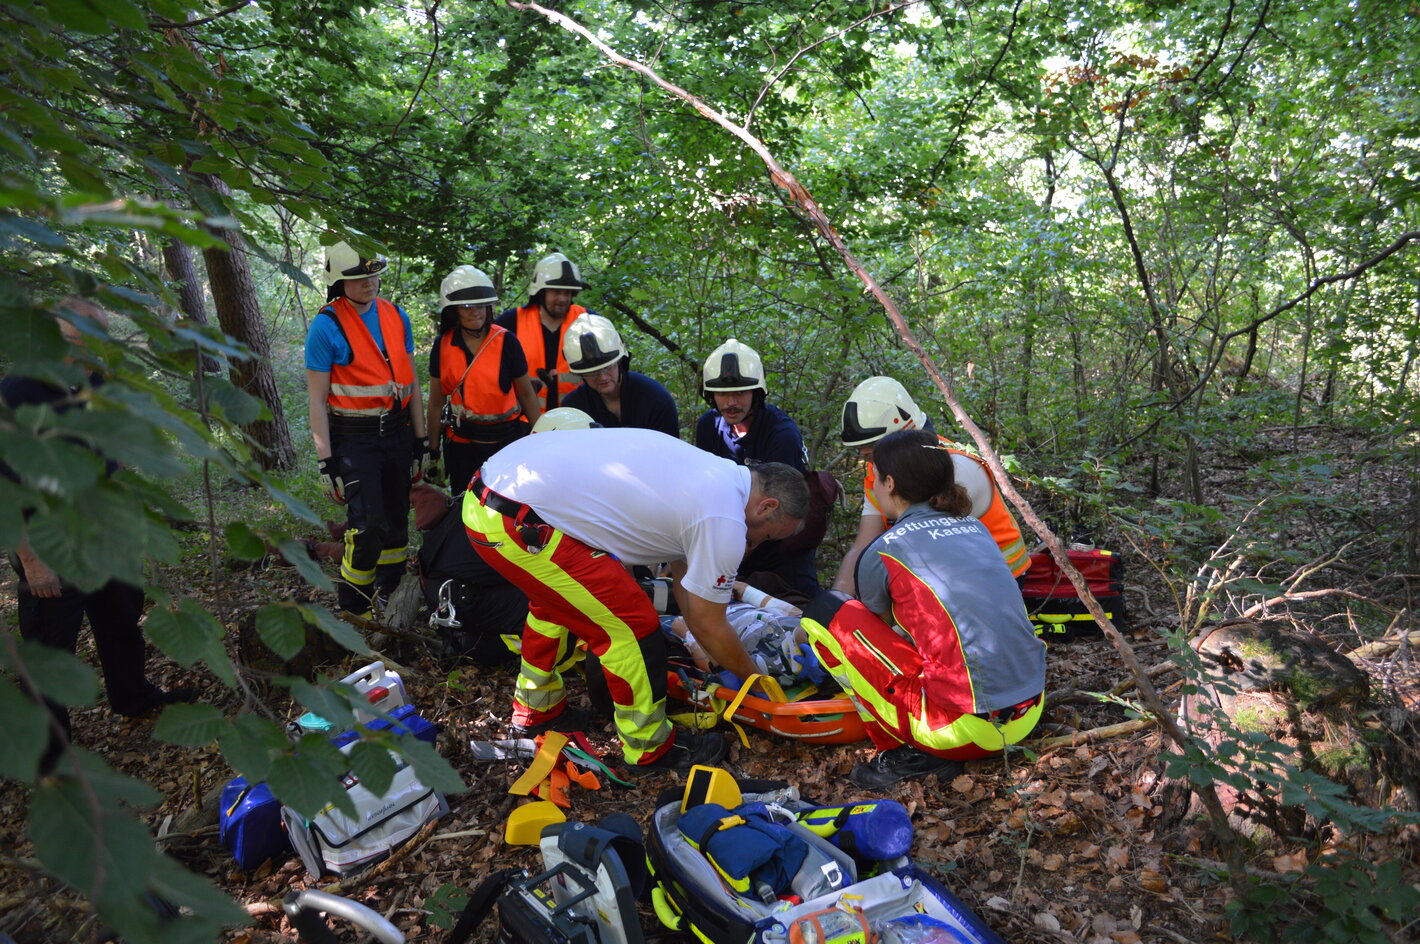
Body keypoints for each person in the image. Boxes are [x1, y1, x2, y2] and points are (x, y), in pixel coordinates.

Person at [461, 428, 810, 773]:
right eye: (765, 535)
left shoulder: (714, 476)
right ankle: (649, 748)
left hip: (488, 498)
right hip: (518, 518)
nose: (757, 543)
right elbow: (709, 624)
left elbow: (686, 585)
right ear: (767, 506)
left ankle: (537, 710)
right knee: (631, 626)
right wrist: (759, 682)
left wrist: (708, 643)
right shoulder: (725, 519)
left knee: (558, 606)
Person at [4, 298, 194, 772]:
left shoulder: (95, 378)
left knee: (120, 621)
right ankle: (48, 753)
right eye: (79, 338)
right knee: (51, 649)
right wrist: (30, 558)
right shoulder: (18, 390)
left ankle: (132, 696)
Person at [801, 429, 1046, 789]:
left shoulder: (884, 550)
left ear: (889, 482)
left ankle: (901, 751)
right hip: (1030, 711)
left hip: (963, 733)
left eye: (875, 478)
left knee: (826, 611)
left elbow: (878, 639)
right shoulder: (976, 527)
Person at [305, 241, 427, 616]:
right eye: (359, 277)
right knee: (367, 523)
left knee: (395, 521)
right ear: (339, 282)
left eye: (374, 275)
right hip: (353, 439)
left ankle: (388, 593)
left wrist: (421, 441)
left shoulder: (395, 315)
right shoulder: (326, 327)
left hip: (397, 432)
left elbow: (413, 384)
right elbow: (316, 401)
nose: (369, 283)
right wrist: (326, 463)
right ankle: (354, 607)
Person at [833, 376, 1030, 593]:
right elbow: (862, 547)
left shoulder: (955, 468)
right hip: (944, 575)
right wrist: (835, 604)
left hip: (997, 577)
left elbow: (934, 559)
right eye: (864, 453)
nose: (870, 461)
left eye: (873, 449)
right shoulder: (879, 470)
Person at [693, 338, 819, 596]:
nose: (731, 402)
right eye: (722, 394)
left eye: (740, 392)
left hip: (780, 545)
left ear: (757, 393)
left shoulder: (781, 435)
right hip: (730, 539)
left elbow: (778, 511)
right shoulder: (709, 427)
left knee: (799, 609)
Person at [425, 265, 542, 494]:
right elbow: (436, 402)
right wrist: (432, 450)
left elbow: (526, 394)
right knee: (464, 502)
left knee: (506, 503)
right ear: (453, 310)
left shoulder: (507, 341)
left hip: (505, 443)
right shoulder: (443, 345)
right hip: (462, 446)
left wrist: (540, 438)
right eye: (467, 306)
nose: (475, 312)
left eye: (481, 305)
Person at [494, 251, 589, 414]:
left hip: (574, 421)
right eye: (556, 292)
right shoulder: (510, 323)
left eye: (567, 293)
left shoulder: (588, 321)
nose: (563, 299)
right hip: (523, 424)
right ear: (541, 292)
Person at [558, 313, 679, 436]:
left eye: (608, 368)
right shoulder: (574, 410)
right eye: (591, 373)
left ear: (620, 362)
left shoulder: (655, 399)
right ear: (581, 374)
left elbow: (670, 451)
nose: (602, 377)